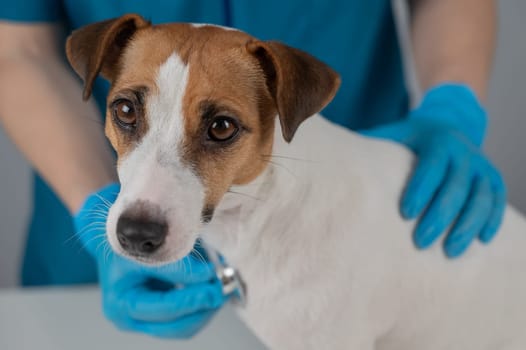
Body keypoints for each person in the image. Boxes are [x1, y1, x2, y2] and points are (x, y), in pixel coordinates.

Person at [0, 0, 506, 339]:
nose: (144, 206)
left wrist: (451, 105)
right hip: (72, 286)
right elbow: (16, 48)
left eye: (217, 130)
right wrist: (91, 194)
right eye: (128, 113)